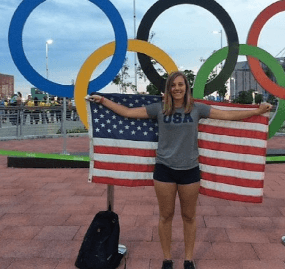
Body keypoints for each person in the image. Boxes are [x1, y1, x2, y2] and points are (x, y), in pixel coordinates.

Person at [88, 71, 271, 269]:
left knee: (189, 217)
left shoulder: (196, 109)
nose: (177, 88)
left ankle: (188, 259)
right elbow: (127, 112)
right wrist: (103, 101)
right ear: (168, 89)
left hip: (190, 171)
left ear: (186, 87)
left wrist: (256, 111)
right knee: (165, 216)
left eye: (180, 85)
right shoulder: (159, 108)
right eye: (173, 85)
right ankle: (167, 259)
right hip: (164, 171)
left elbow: (228, 116)